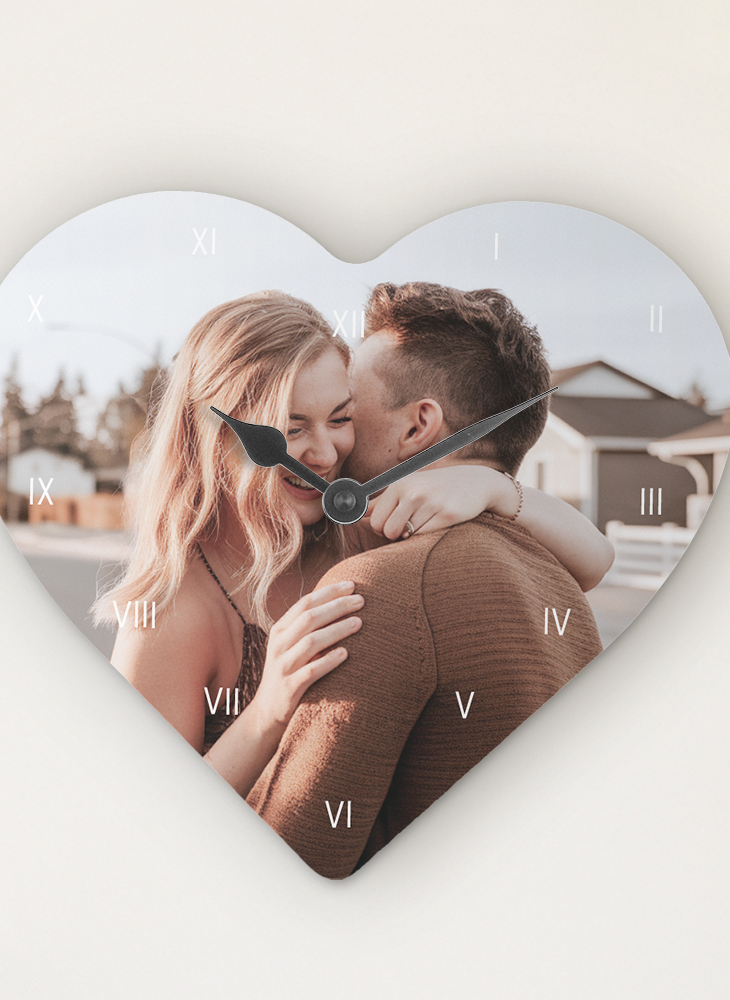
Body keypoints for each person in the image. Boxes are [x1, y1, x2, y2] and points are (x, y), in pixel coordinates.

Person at [96, 292, 613, 800]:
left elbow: (593, 561)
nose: (324, 454)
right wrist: (268, 710)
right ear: (215, 437)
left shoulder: (355, 530)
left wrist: (494, 487)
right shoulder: (170, 613)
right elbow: (148, 824)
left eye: (341, 420)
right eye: (291, 428)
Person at [249, 282, 603, 878]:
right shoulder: (554, 571)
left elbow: (285, 860)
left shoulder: (382, 592)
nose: (333, 438)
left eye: (346, 409)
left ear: (419, 427)